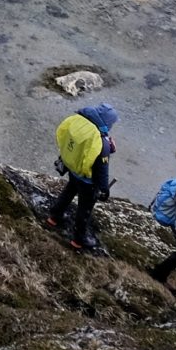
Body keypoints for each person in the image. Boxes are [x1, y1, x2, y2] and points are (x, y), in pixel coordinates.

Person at [44, 102, 117, 252]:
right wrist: (104, 190)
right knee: (85, 209)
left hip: (73, 169)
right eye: (111, 123)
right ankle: (79, 239)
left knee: (69, 191)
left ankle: (54, 217)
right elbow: (102, 169)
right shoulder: (101, 142)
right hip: (87, 181)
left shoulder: (78, 122)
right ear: (106, 122)